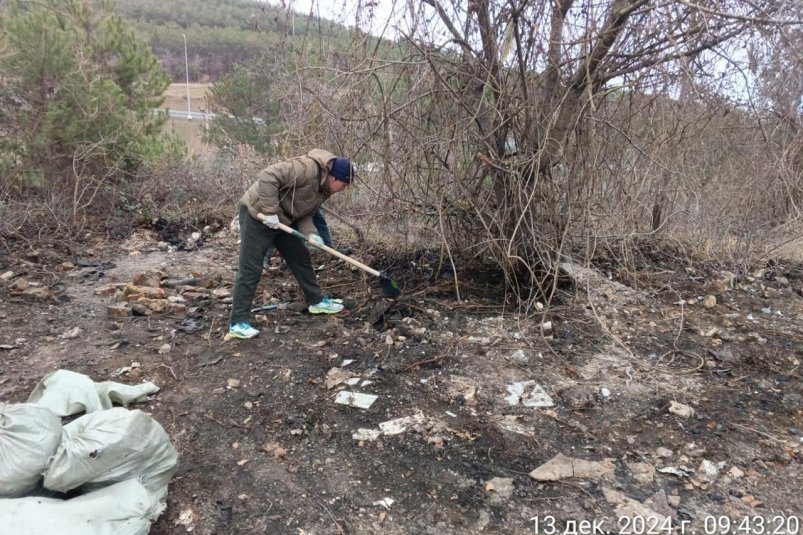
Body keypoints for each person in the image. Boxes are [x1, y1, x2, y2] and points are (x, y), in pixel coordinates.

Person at [229, 149, 355, 339]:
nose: (343, 189)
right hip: (259, 215)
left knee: (300, 257)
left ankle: (316, 302)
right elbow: (268, 175)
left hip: (283, 220)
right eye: (344, 185)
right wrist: (271, 211)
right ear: (334, 177)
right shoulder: (305, 169)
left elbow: (305, 212)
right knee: (251, 268)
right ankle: (238, 322)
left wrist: (311, 234)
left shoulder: (324, 188)